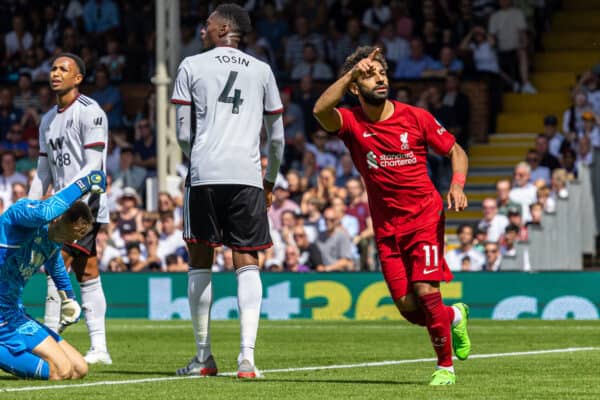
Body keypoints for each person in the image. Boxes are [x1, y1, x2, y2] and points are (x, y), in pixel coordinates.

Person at [313, 46, 471, 385]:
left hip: (425, 216)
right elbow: (320, 110)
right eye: (370, 75)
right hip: (387, 227)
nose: (380, 78)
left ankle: (445, 368)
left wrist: (457, 184)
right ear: (355, 86)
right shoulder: (352, 123)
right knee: (410, 309)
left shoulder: (416, 117)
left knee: (426, 291)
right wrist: (351, 74)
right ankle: (455, 316)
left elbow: (456, 150)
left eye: (382, 72)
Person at [171, 4, 284, 379]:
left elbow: (183, 134)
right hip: (248, 177)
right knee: (247, 258)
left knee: (200, 259)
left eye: (207, 25)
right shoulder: (263, 70)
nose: (202, 30)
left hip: (205, 174)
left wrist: (200, 155)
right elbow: (277, 139)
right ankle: (247, 359)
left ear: (222, 29)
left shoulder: (191, 66)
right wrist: (269, 181)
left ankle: (204, 357)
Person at [28, 53, 112, 365]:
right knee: (87, 273)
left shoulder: (92, 113)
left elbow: (93, 167)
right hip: (59, 206)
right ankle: (100, 349)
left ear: (78, 78)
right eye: (52, 68)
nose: (55, 73)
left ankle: (49, 341)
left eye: (64, 69)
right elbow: (43, 172)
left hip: (83, 204)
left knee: (54, 262)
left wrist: (61, 202)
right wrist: (32, 206)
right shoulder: (47, 119)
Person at [0, 170, 106, 380]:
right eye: (72, 234)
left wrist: (69, 298)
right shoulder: (20, 215)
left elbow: (55, 264)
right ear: (57, 219)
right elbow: (43, 213)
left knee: (79, 369)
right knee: (60, 371)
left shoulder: (53, 240)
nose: (74, 242)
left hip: (12, 312)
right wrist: (83, 184)